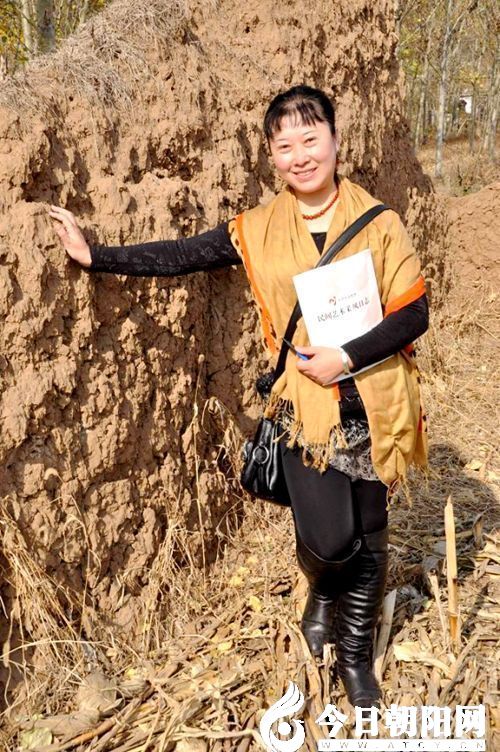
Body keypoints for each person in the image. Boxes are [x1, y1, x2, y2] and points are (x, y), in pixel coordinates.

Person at [49, 85, 429, 708]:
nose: (300, 156)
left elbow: (413, 313)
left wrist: (346, 357)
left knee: (371, 532)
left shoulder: (380, 222)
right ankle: (323, 589)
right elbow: (184, 255)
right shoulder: (257, 229)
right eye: (285, 145)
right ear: (271, 156)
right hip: (305, 409)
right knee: (332, 541)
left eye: (311, 139)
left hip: (377, 401)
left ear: (336, 140)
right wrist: (97, 256)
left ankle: (356, 658)